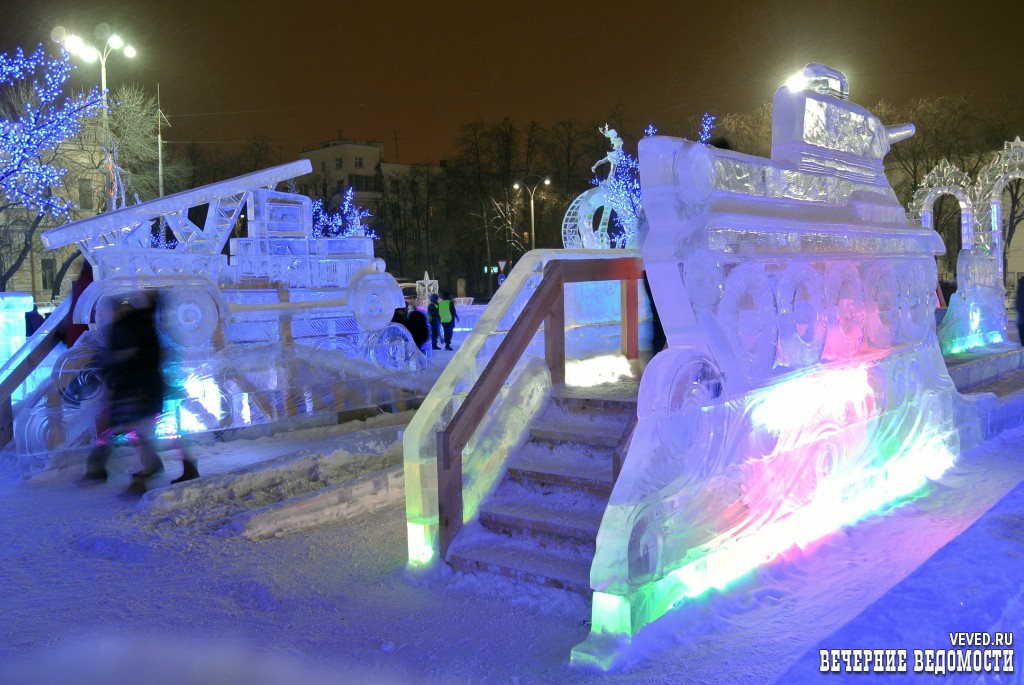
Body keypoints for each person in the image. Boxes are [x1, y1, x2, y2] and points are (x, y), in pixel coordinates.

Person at [1016, 276, 1024, 346]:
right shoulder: (1021, 286)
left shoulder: (1021, 286)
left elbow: (1019, 299)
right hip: (1021, 310)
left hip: (1021, 310)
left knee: (1021, 326)